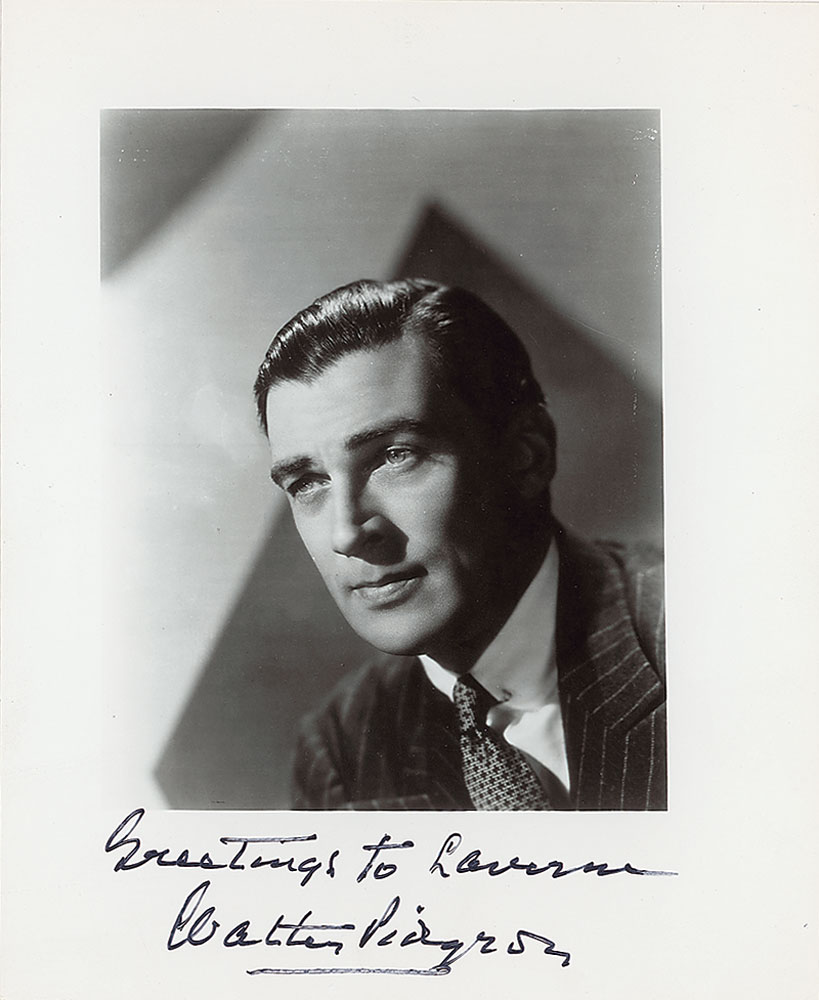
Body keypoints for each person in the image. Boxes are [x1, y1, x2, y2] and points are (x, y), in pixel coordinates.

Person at [254, 278, 666, 811]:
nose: (347, 532)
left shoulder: (704, 636)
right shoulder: (340, 749)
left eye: (395, 456)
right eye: (308, 482)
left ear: (527, 455)